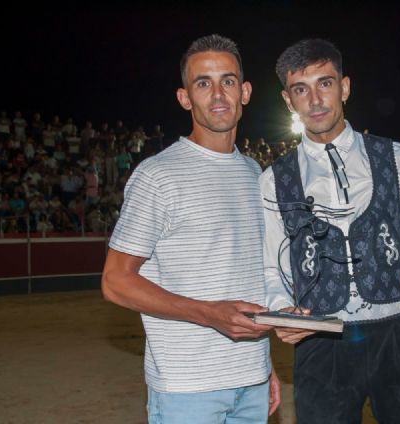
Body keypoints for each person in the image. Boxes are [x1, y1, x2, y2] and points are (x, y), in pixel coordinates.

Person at [260, 38, 400, 423]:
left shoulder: (396, 159)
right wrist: (282, 309)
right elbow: (273, 270)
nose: (315, 100)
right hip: (319, 343)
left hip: (398, 336)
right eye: (301, 89)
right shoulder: (273, 180)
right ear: (288, 100)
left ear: (345, 87)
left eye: (325, 83)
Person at [101, 34, 280, 423]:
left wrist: (265, 366)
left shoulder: (255, 174)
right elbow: (115, 282)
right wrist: (207, 313)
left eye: (228, 80)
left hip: (250, 381)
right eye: (203, 83)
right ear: (185, 98)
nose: (217, 94)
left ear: (245, 92)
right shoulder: (157, 175)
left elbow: (246, 275)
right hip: (187, 389)